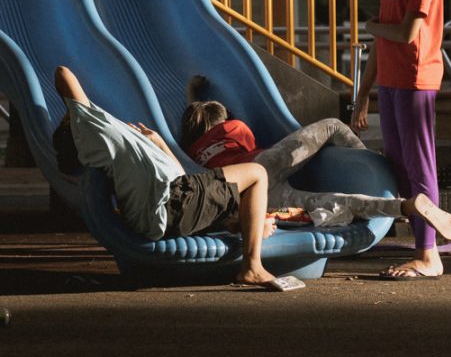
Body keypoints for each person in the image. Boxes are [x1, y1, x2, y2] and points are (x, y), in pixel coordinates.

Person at [50, 65, 281, 289]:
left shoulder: (116, 154)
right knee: (257, 174)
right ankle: (252, 266)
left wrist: (159, 143)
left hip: (170, 208)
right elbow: (63, 73)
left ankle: (241, 224)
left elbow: (181, 177)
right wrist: (74, 110)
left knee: (217, 193)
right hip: (173, 201)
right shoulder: (89, 128)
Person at [180, 76, 451, 240]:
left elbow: (196, 122)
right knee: (332, 126)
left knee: (336, 201)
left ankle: (405, 207)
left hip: (249, 199)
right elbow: (249, 144)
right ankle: (374, 169)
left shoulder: (191, 153)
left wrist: (192, 95)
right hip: (261, 166)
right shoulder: (232, 128)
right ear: (223, 118)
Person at [352, 0, 451, 279]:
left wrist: (372, 26)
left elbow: (408, 32)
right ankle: (427, 244)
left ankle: (429, 254)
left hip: (416, 79)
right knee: (400, 164)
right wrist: (363, 94)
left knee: (419, 164)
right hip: (392, 81)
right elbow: (383, 40)